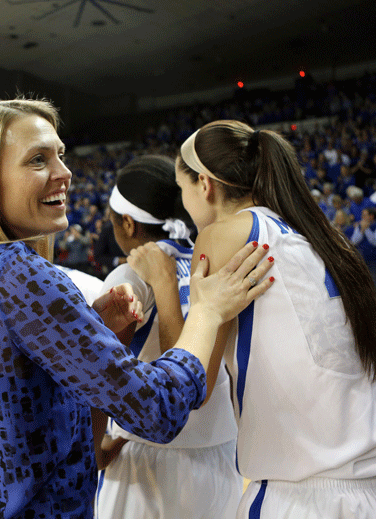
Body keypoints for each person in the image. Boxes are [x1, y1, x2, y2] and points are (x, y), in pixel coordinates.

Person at [0, 98, 274, 519]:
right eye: (37, 160)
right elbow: (156, 409)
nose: (64, 173)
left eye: (61, 155)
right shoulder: (21, 275)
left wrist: (92, 334)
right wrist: (208, 312)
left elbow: (9, 414)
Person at [137, 120, 376, 518]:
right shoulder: (319, 237)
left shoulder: (223, 234)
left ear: (205, 185)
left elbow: (193, 386)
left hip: (303, 498)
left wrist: (164, 283)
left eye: (184, 191)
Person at [93, 154, 241, 519]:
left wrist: (94, 446)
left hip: (148, 459)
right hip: (221, 452)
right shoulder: (210, 260)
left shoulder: (130, 274)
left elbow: (102, 376)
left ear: (127, 224)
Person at [350, 206, 376, 297]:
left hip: (374, 261)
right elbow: (354, 241)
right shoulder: (360, 226)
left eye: (364, 215)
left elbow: (374, 242)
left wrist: (367, 229)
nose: (362, 217)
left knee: (373, 285)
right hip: (360, 260)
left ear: (371, 216)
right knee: (359, 285)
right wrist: (362, 230)